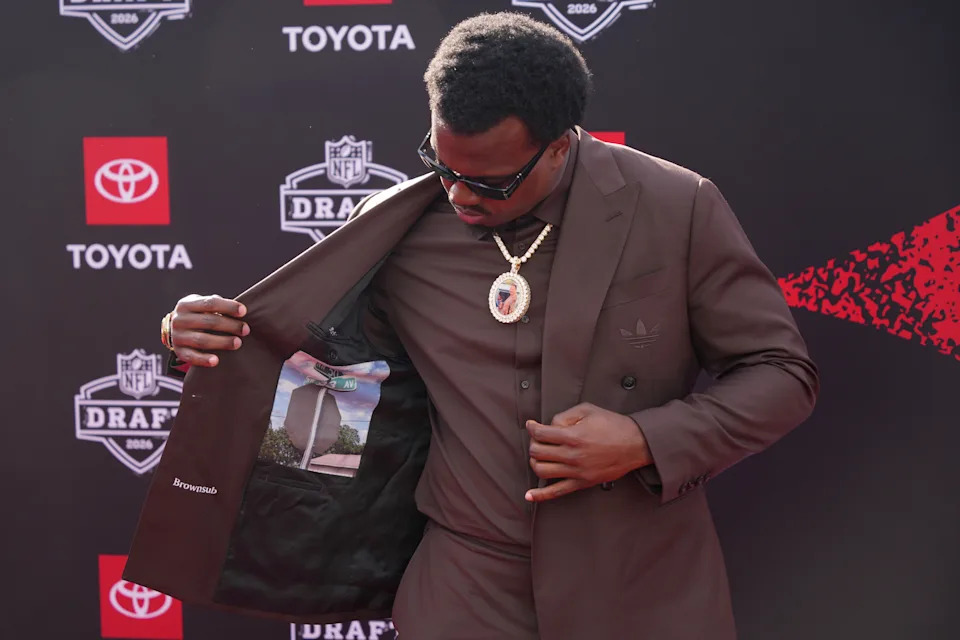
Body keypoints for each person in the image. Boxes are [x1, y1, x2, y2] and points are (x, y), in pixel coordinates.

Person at [128, 12, 818, 640]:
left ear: (559, 147)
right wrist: (198, 341)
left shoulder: (675, 206)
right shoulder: (397, 228)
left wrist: (644, 440)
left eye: (489, 183)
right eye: (440, 164)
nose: (458, 195)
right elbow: (330, 371)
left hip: (637, 582)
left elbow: (782, 375)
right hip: (462, 587)